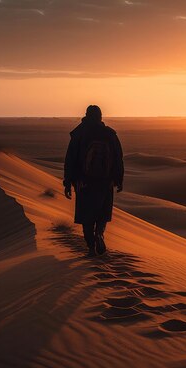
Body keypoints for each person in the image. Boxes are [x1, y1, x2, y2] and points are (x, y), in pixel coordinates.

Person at [63, 105, 124, 256]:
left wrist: (68, 182)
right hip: (105, 181)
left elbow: (70, 159)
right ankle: (100, 235)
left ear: (86, 115)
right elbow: (118, 158)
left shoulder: (79, 134)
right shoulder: (109, 134)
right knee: (102, 213)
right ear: (100, 117)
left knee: (86, 215)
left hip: (83, 182)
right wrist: (119, 179)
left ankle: (91, 246)